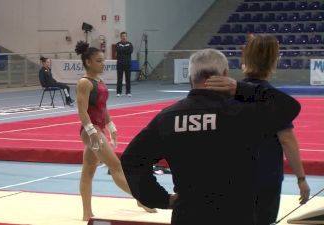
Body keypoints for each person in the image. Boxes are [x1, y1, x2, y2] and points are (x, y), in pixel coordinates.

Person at [120, 48, 301, 225]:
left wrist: (159, 199)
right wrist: (242, 88)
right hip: (236, 214)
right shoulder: (242, 113)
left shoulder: (168, 117)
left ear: (190, 77)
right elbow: (290, 107)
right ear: (225, 74)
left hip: (188, 213)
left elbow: (132, 159)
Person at [74, 41, 156, 221]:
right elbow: (82, 110)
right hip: (91, 130)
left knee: (88, 170)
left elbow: (102, 108)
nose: (103, 64)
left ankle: (86, 212)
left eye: (103, 60)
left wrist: (111, 127)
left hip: (99, 127)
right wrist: (92, 132)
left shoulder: (99, 81)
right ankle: (140, 199)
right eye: (99, 61)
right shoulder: (84, 83)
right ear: (88, 62)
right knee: (116, 166)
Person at [240, 34, 310, 225]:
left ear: (244, 58)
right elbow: (287, 139)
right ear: (273, 61)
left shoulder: (229, 96)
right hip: (264, 175)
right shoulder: (274, 101)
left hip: (232, 175)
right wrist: (301, 179)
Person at [115, 31, 133, 97]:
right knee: (119, 79)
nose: (124, 37)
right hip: (120, 64)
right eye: (122, 36)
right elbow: (118, 50)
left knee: (128, 79)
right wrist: (124, 50)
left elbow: (130, 51)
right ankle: (118, 92)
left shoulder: (130, 44)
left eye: (125, 36)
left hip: (128, 64)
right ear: (121, 37)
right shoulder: (118, 44)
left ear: (126, 37)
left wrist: (122, 50)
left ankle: (128, 92)